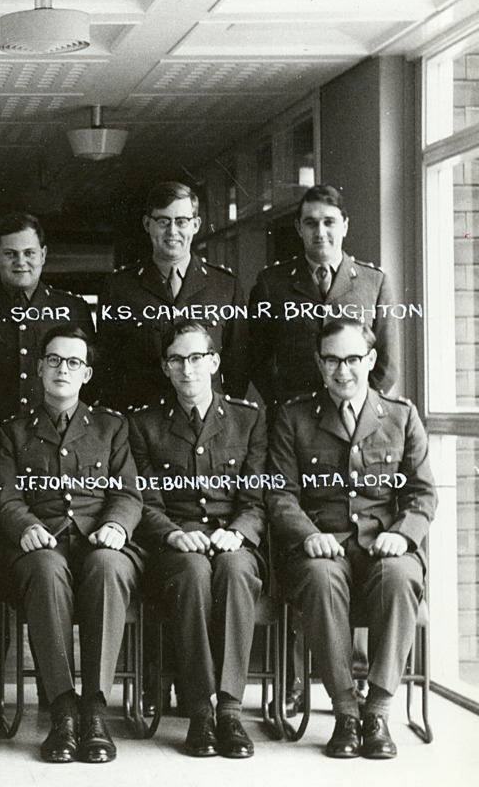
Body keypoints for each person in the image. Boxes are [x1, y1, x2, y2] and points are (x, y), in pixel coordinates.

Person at [266, 318, 435, 759]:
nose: (343, 371)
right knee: (320, 577)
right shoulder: (293, 416)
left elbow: (422, 493)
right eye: (332, 360)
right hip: (323, 546)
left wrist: (403, 535)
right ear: (319, 365)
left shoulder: (401, 415)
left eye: (353, 359)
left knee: (400, 575)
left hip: (384, 543)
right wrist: (308, 535)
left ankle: (376, 711)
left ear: (372, 360)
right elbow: (280, 493)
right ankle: (344, 712)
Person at [0, 324, 142, 764]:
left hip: (97, 542)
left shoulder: (111, 426)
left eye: (74, 362)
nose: (63, 369)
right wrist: (23, 525)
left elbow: (128, 493)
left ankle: (94, 707)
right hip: (41, 544)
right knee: (43, 566)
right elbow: (4, 495)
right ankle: (62, 706)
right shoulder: (13, 430)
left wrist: (117, 526)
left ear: (87, 374)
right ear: (39, 368)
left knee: (110, 566)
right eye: (55, 360)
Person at [128, 320, 265, 758]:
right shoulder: (145, 424)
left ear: (215, 362)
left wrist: (238, 532)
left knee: (236, 568)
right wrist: (172, 534)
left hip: (233, 537)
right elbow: (143, 500)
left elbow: (259, 497)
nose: (187, 370)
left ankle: (229, 710)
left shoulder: (248, 419)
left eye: (196, 358)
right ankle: (199, 712)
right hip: (174, 544)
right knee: (191, 570)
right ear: (165, 369)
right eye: (177, 360)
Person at [98, 182, 247, 411]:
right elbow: (108, 367)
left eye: (181, 221)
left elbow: (238, 365)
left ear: (196, 225)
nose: (172, 231)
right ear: (147, 224)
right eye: (163, 221)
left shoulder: (226, 286)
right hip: (142, 425)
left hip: (206, 424)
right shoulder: (118, 288)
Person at [249, 184, 398, 406]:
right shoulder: (272, 284)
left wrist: (357, 407)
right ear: (299, 228)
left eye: (329, 222)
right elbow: (258, 360)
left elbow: (387, 363)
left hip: (354, 421)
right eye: (311, 223)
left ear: (345, 226)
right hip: (294, 423)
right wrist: (289, 410)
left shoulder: (374, 283)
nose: (320, 232)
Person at [0, 212, 95, 420]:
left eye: (29, 253)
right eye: (11, 253)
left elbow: (90, 381)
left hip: (53, 436)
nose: (21, 262)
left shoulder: (73, 309)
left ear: (43, 255)